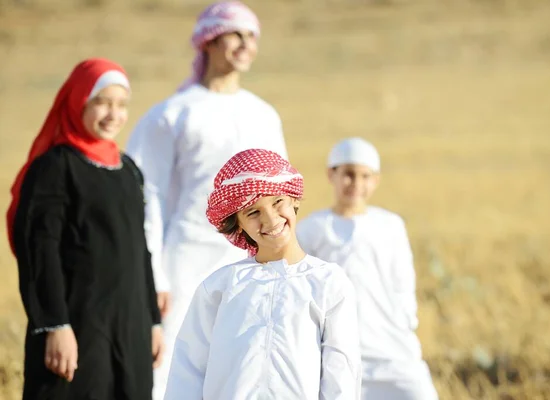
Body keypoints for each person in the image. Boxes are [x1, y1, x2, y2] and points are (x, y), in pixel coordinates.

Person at [125, 3, 288, 397]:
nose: (245, 44)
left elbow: (282, 193)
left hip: (252, 257)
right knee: (173, 361)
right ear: (209, 41)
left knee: (249, 360)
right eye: (236, 34)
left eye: (252, 36)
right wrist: (154, 275)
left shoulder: (263, 114)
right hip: (185, 259)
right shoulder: (173, 114)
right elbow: (144, 196)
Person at [6, 58, 164, 400]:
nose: (113, 114)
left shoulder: (128, 171)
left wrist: (152, 321)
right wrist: (54, 325)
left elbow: (140, 250)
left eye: (121, 105)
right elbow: (39, 251)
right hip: (76, 326)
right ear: (78, 101)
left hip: (130, 326)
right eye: (102, 102)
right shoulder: (54, 168)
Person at [163, 148, 362, 400]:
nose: (270, 220)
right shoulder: (219, 288)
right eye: (253, 212)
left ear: (294, 200)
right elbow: (187, 372)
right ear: (238, 223)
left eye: (277, 202)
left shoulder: (328, 283)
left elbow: (341, 377)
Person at [296, 138, 439, 400]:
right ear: (332, 175)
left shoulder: (390, 225)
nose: (357, 184)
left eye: (365, 176)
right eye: (349, 175)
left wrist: (408, 320)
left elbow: (403, 280)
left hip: (393, 348)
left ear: (376, 180)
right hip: (338, 351)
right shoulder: (311, 228)